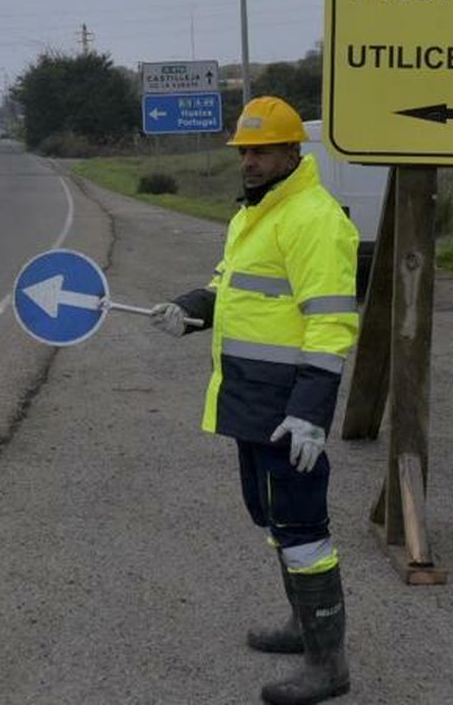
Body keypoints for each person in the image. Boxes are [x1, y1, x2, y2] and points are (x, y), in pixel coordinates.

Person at [150, 96, 360, 705]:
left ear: (294, 150)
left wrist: (311, 412)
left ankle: (329, 665)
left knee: (303, 528)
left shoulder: (313, 219)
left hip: (287, 407)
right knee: (273, 518)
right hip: (250, 399)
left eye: (262, 150)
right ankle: (302, 627)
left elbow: (330, 326)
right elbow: (230, 283)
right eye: (245, 151)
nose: (250, 161)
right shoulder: (257, 213)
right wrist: (189, 309)